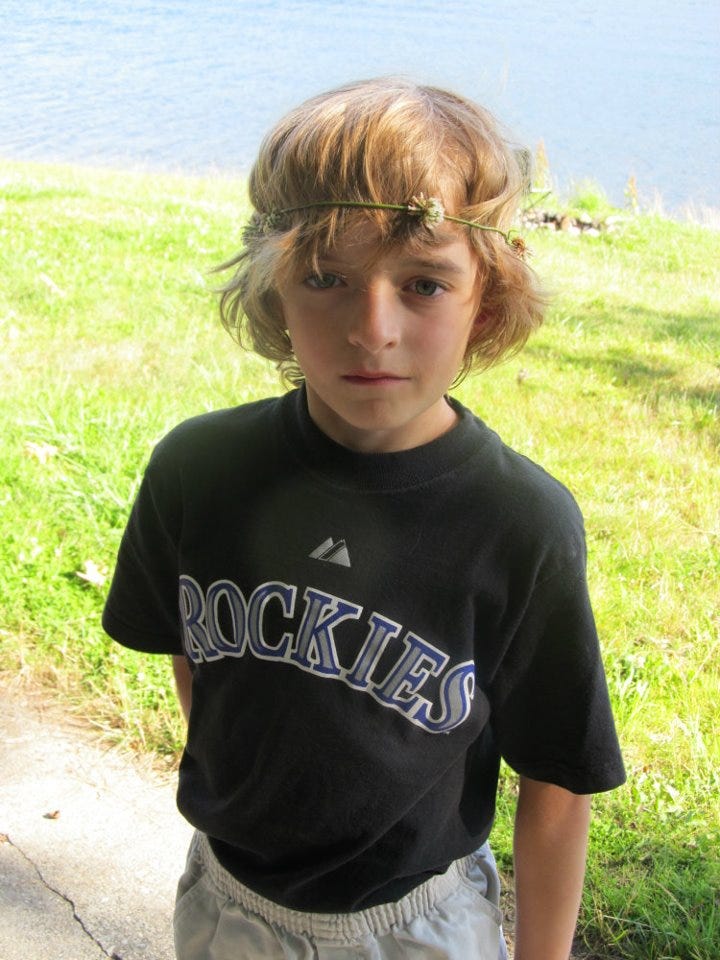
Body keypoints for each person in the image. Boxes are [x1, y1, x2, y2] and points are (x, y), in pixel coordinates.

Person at [102, 77, 626, 960]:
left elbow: (556, 784)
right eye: (324, 278)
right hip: (227, 904)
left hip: (415, 926)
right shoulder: (201, 470)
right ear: (274, 293)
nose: (370, 327)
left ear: (484, 305)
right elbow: (198, 658)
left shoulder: (517, 523)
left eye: (423, 284)